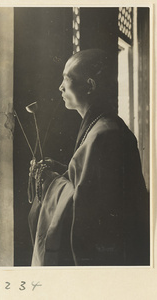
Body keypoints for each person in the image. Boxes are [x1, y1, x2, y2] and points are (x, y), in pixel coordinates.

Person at [28, 49, 150, 266]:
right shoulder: (100, 127)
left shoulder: (105, 134)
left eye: (67, 79)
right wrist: (60, 171)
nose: (60, 87)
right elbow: (86, 184)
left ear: (90, 86)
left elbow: (88, 211)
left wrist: (52, 182)